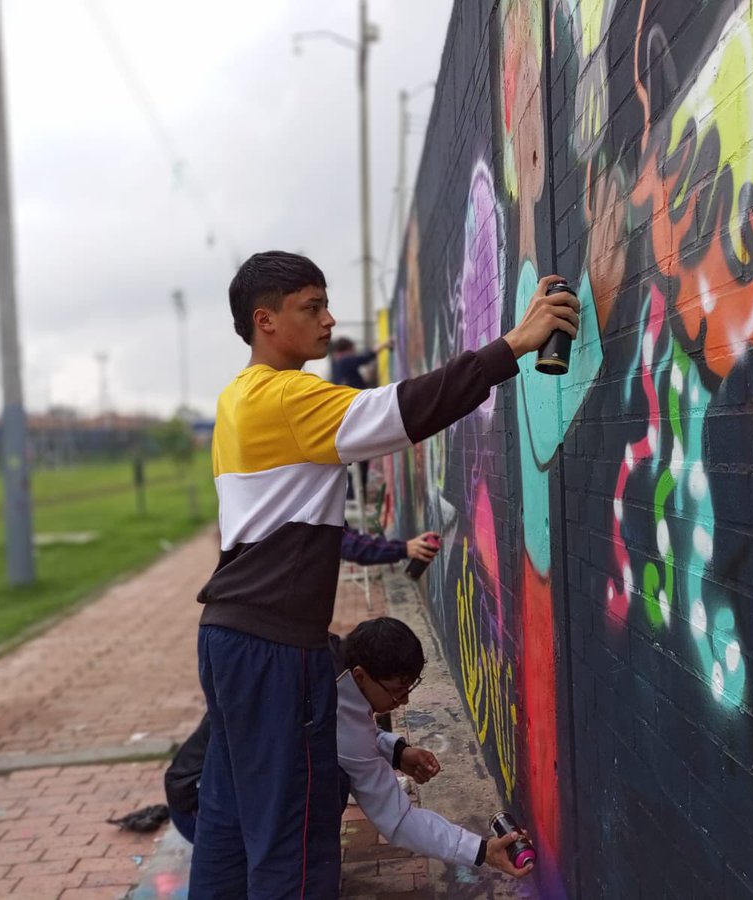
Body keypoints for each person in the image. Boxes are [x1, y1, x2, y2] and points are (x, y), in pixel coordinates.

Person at [192, 250, 576, 897]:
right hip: (275, 651)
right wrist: (516, 344)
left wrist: (392, 752)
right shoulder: (286, 397)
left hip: (228, 640)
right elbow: (405, 411)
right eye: (311, 307)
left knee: (232, 823)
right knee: (295, 838)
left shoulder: (236, 402)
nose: (328, 319)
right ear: (266, 320)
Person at [165, 618, 533, 880]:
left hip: (210, 783)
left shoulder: (326, 660)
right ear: (360, 675)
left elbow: (350, 735)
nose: (401, 702)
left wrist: (397, 751)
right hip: (201, 805)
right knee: (331, 785)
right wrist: (482, 851)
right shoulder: (333, 708)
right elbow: (399, 821)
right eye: (396, 690)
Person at [330, 336, 393, 504]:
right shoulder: (344, 361)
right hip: (356, 416)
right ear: (347, 350)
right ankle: (355, 495)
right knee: (361, 460)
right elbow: (365, 357)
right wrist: (384, 344)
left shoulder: (338, 367)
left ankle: (355, 495)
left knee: (358, 460)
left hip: (350, 418)